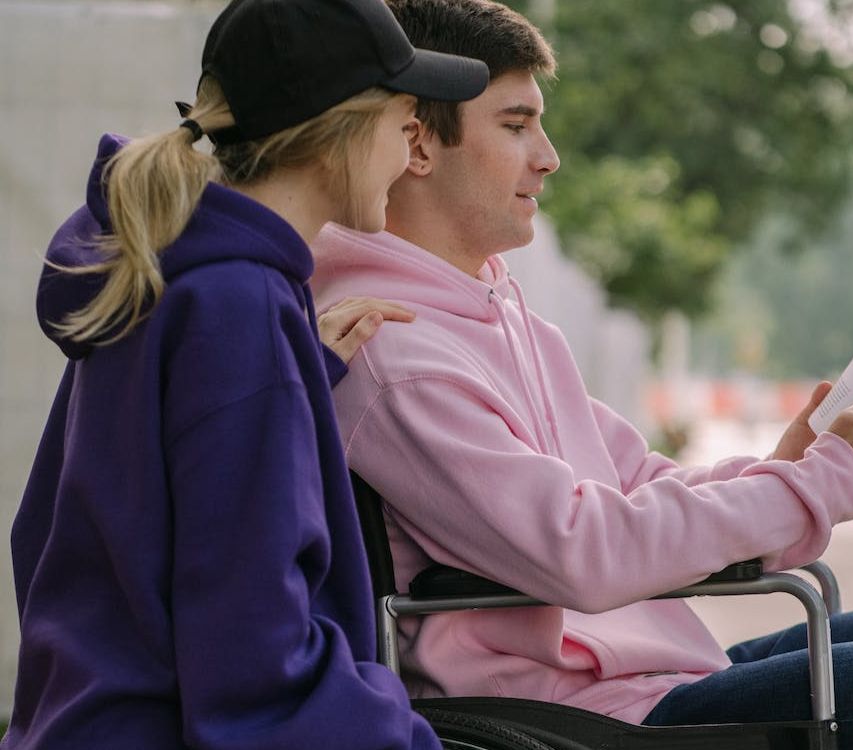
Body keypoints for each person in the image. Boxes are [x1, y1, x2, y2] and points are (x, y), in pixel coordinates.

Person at [308, 0, 853, 747]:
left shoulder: (504, 318)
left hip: (651, 675)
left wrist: (786, 467)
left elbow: (637, 484)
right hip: (581, 711)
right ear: (417, 144)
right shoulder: (394, 352)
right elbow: (584, 550)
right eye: (515, 126)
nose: (549, 155)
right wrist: (826, 485)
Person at [2, 1, 489, 748]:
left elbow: (72, 525)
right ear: (339, 129)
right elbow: (258, 665)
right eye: (406, 118)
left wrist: (296, 374)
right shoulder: (238, 309)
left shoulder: (166, 273)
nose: (413, 147)